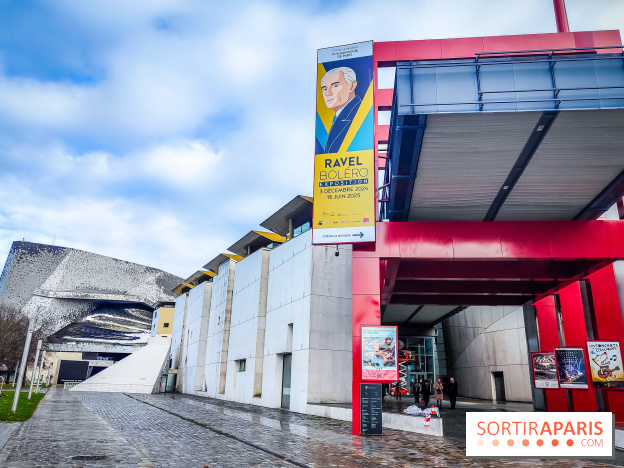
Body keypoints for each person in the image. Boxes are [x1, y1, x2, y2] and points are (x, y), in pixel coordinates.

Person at [319, 66, 362, 154]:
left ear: (352, 86)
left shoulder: (358, 113)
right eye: (325, 88)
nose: (328, 93)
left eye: (335, 86)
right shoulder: (339, 116)